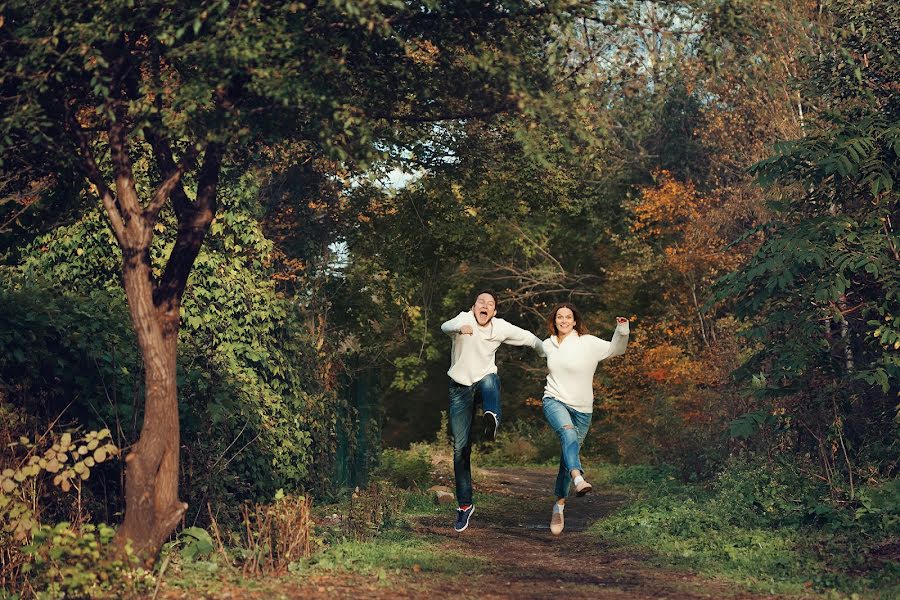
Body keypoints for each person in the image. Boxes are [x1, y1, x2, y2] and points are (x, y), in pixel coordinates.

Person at [441, 290, 546, 532]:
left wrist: (550, 354)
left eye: (490, 304)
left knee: (490, 379)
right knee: (460, 448)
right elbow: (446, 326)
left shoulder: (499, 327)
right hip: (459, 388)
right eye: (481, 302)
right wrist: (460, 329)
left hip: (484, 382)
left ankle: (492, 415)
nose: (484, 306)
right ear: (474, 306)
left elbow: (529, 338)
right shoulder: (463, 319)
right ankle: (465, 506)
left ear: (494, 311)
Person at [540, 303, 629, 535]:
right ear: (554, 320)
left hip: (583, 409)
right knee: (567, 433)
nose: (564, 320)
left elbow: (615, 349)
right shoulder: (547, 344)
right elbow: (527, 341)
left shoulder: (587, 342)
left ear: (575, 321)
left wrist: (622, 329)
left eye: (568, 317)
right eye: (560, 317)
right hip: (554, 400)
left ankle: (559, 505)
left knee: (567, 458)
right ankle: (579, 478)